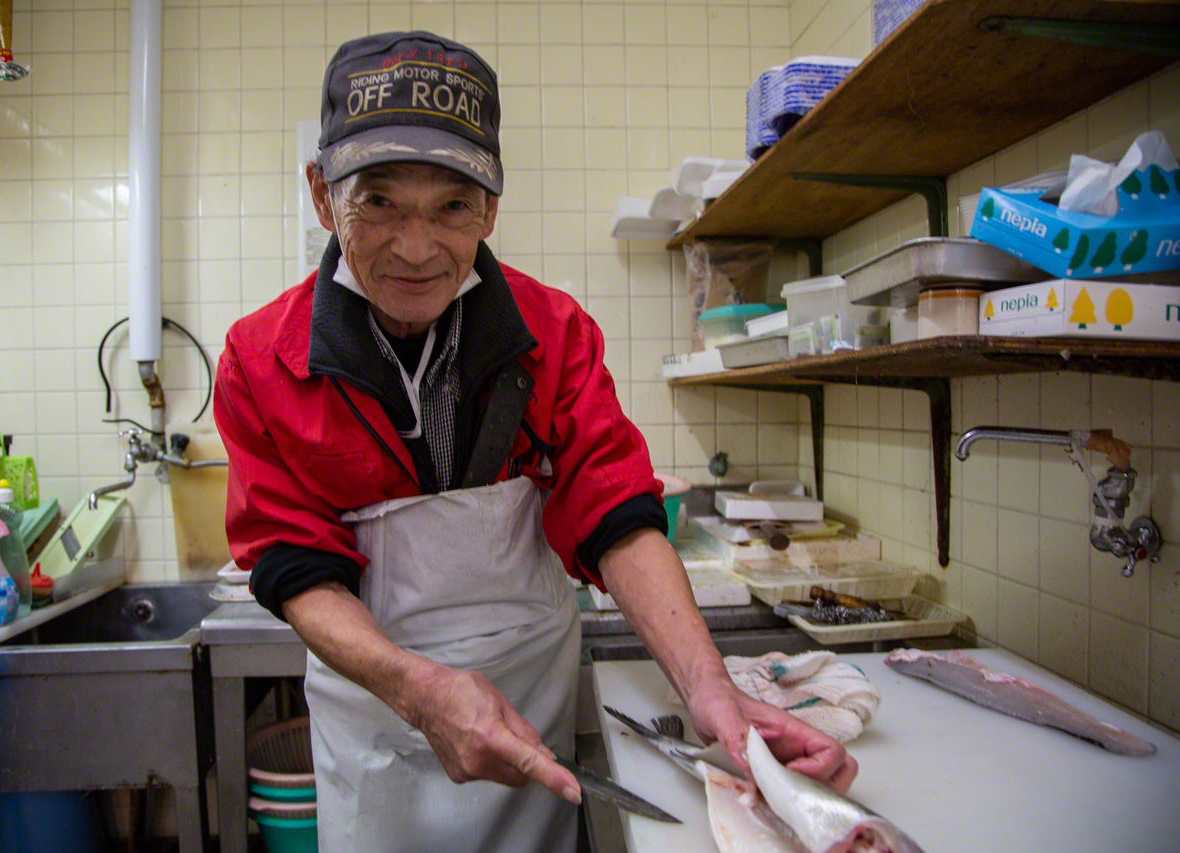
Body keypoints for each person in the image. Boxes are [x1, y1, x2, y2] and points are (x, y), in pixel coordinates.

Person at [215, 30, 856, 853]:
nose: (416, 248)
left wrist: (709, 687)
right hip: (376, 716)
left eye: (452, 205)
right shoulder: (262, 358)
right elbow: (292, 556)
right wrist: (417, 688)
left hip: (532, 710)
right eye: (378, 201)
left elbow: (614, 509)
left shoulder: (553, 334)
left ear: (492, 205)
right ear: (321, 193)